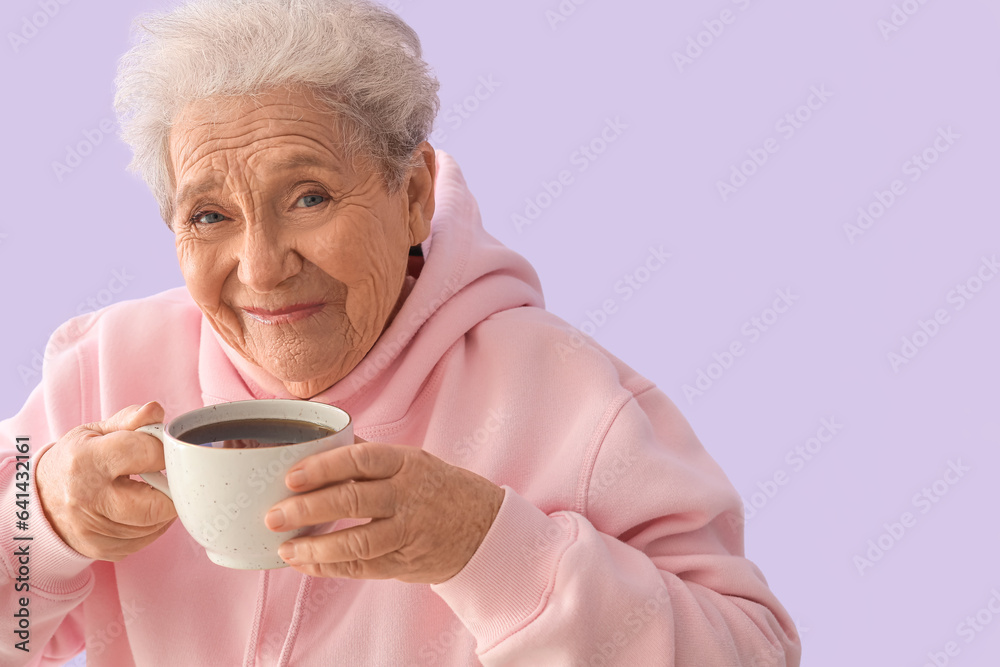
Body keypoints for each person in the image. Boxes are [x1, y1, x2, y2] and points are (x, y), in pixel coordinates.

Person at [0, 0, 802, 664]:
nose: (264, 266)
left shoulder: (572, 399)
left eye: (308, 197)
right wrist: (44, 522)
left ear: (413, 194)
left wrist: (488, 547)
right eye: (210, 216)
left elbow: (752, 650)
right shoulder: (101, 372)